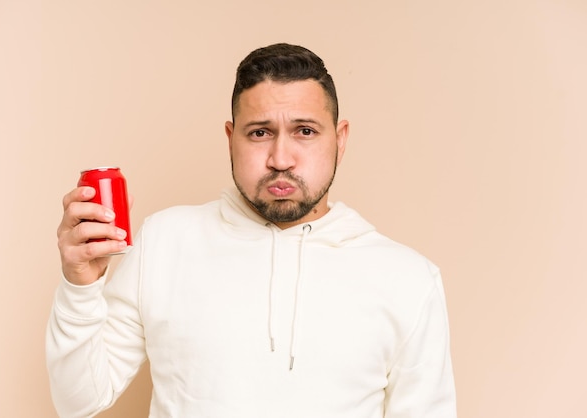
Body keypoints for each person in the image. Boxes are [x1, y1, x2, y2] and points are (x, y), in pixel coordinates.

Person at [47, 43, 457, 418]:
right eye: (260, 132)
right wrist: (79, 285)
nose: (281, 158)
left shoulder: (408, 279)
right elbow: (78, 400)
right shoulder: (164, 241)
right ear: (231, 139)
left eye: (305, 131)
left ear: (340, 139)